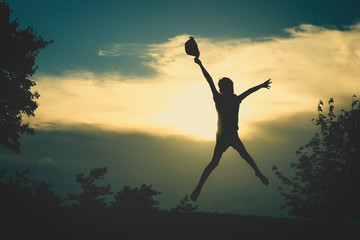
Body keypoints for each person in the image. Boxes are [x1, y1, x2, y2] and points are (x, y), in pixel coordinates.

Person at [190, 58, 271, 202]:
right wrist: (201, 64)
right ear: (223, 89)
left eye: (232, 86)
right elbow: (209, 80)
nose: (232, 89)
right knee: (215, 163)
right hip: (223, 136)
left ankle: (258, 173)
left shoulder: (235, 99)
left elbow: (249, 91)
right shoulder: (219, 98)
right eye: (229, 87)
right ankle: (198, 188)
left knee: (244, 155)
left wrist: (262, 85)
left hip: (232, 135)